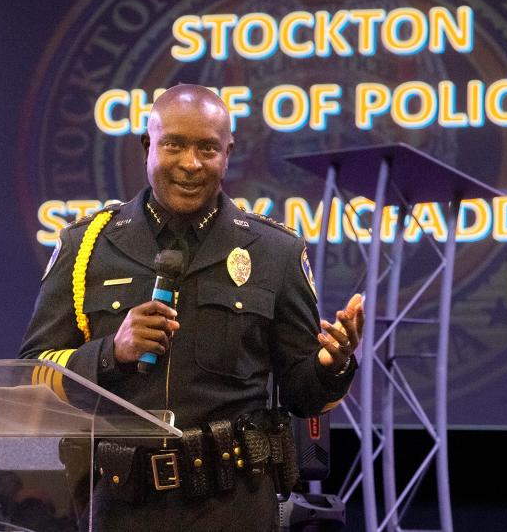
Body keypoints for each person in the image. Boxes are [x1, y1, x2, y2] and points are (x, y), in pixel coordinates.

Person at [19, 84, 363, 530]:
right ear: (148, 146)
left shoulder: (275, 251)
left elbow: (302, 394)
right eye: (174, 145)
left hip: (234, 504)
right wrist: (111, 353)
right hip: (122, 505)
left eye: (207, 148)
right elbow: (32, 371)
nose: (190, 164)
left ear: (228, 154)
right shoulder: (86, 247)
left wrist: (331, 365)